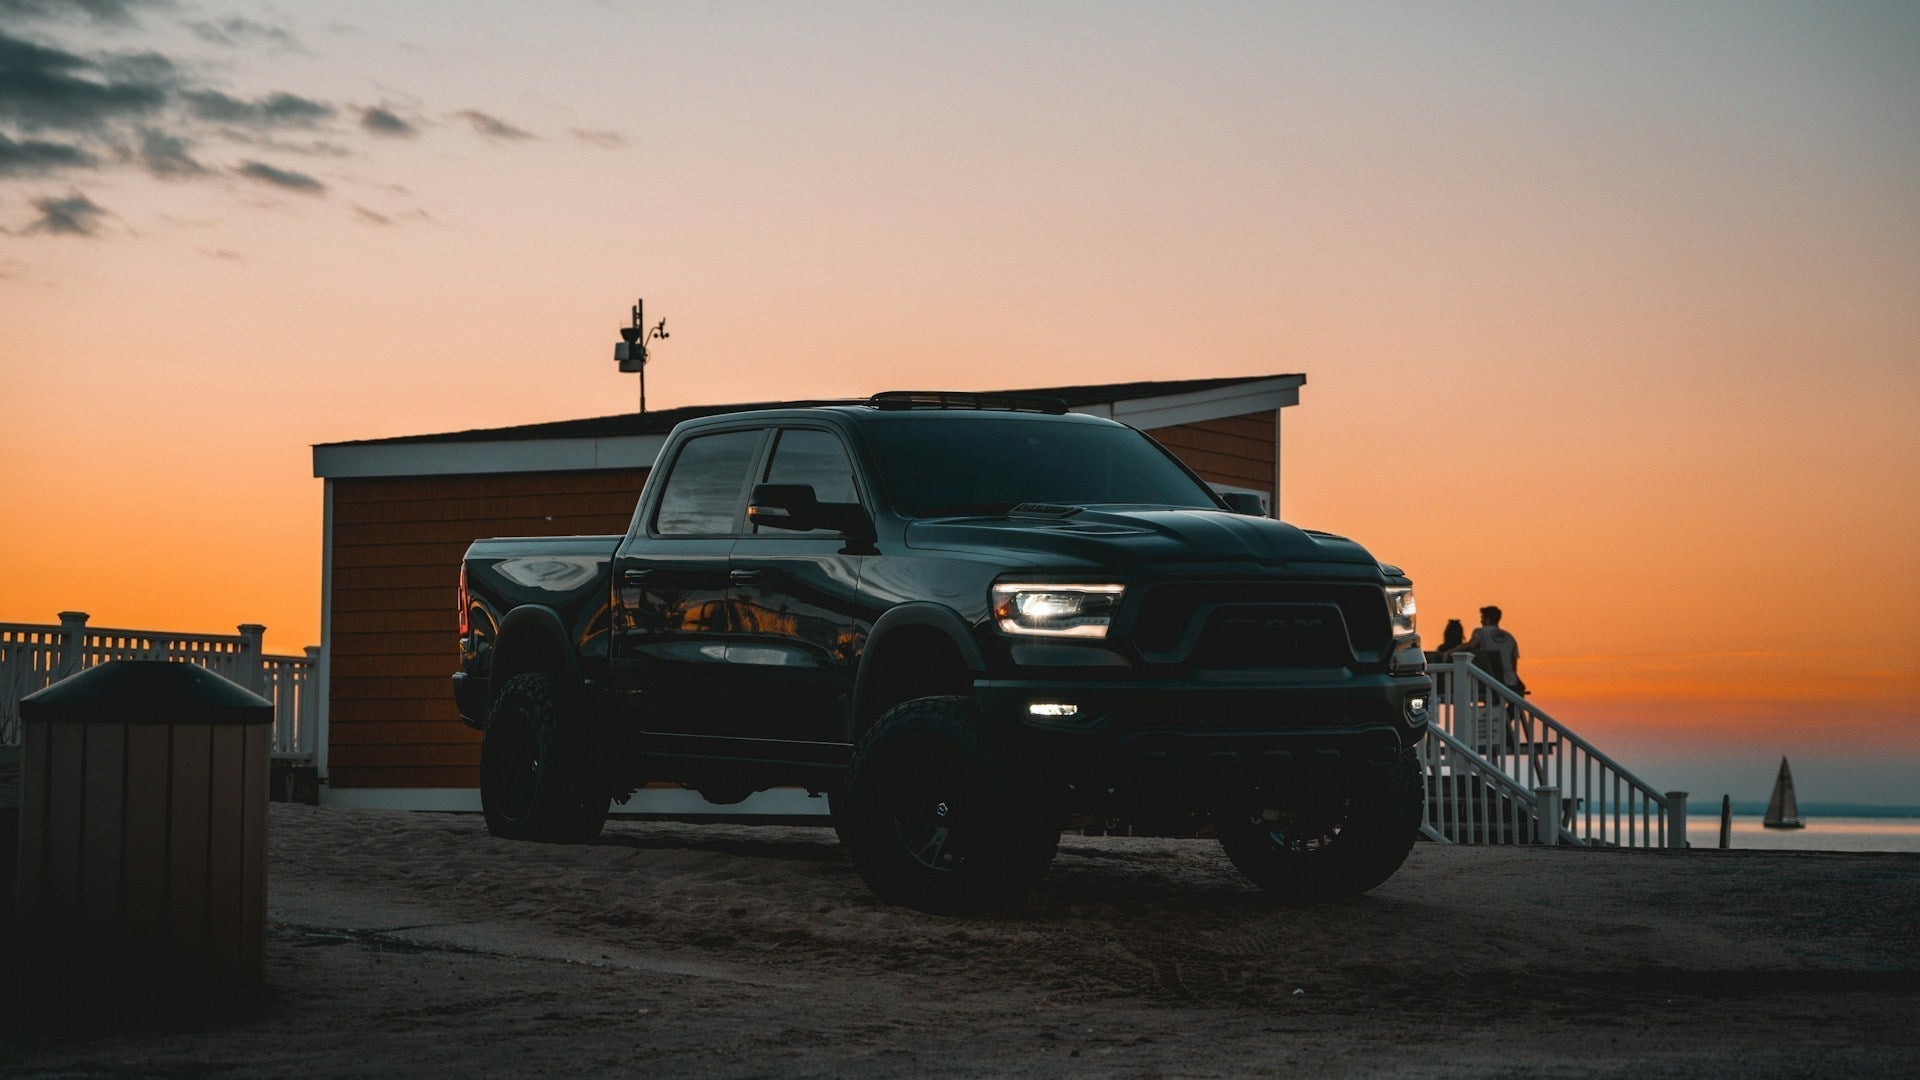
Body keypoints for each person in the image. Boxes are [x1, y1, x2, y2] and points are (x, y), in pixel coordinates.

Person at [1459, 606, 1524, 696]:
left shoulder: (1480, 632)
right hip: (1510, 683)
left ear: (1488, 620)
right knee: (1519, 693)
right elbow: (1514, 666)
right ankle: (1511, 709)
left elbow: (1470, 644)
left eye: (1482, 618)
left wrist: (1450, 651)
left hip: (1490, 682)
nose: (1480, 621)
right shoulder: (1510, 637)